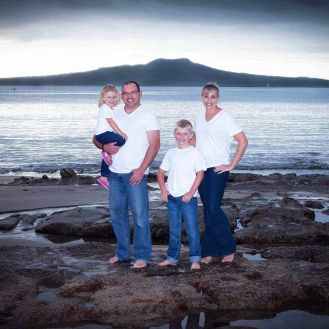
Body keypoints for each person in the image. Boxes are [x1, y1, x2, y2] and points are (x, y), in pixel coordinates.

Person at [93, 81, 160, 269]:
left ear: (140, 93)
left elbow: (155, 145)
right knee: (117, 215)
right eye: (125, 93)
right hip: (114, 174)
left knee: (139, 216)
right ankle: (122, 254)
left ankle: (142, 256)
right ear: (121, 95)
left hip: (134, 174)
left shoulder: (148, 115)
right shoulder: (113, 111)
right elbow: (96, 137)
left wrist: (141, 170)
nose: (129, 96)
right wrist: (104, 146)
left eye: (133, 92)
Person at [194, 82, 248, 263]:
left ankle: (228, 248)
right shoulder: (199, 116)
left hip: (218, 168)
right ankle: (209, 251)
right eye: (206, 96)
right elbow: (196, 142)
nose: (209, 100)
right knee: (208, 210)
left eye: (213, 96)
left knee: (213, 208)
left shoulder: (225, 117)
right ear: (201, 97)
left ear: (218, 98)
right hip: (201, 168)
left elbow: (243, 141)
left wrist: (232, 164)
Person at [157, 119, 206, 270]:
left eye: (185, 133)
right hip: (172, 198)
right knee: (174, 229)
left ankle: (195, 259)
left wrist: (191, 193)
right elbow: (160, 173)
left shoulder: (195, 152)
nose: (181, 136)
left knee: (192, 229)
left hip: (188, 198)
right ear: (174, 134)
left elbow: (200, 174)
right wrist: (164, 190)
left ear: (191, 135)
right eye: (178, 133)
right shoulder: (171, 153)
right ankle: (172, 258)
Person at [94, 84, 128, 190]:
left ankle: (104, 177)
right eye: (109, 97)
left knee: (108, 156)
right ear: (103, 98)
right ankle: (106, 153)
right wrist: (121, 133)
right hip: (102, 134)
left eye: (114, 97)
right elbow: (111, 122)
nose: (112, 99)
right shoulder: (105, 108)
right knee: (121, 140)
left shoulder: (110, 108)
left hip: (103, 134)